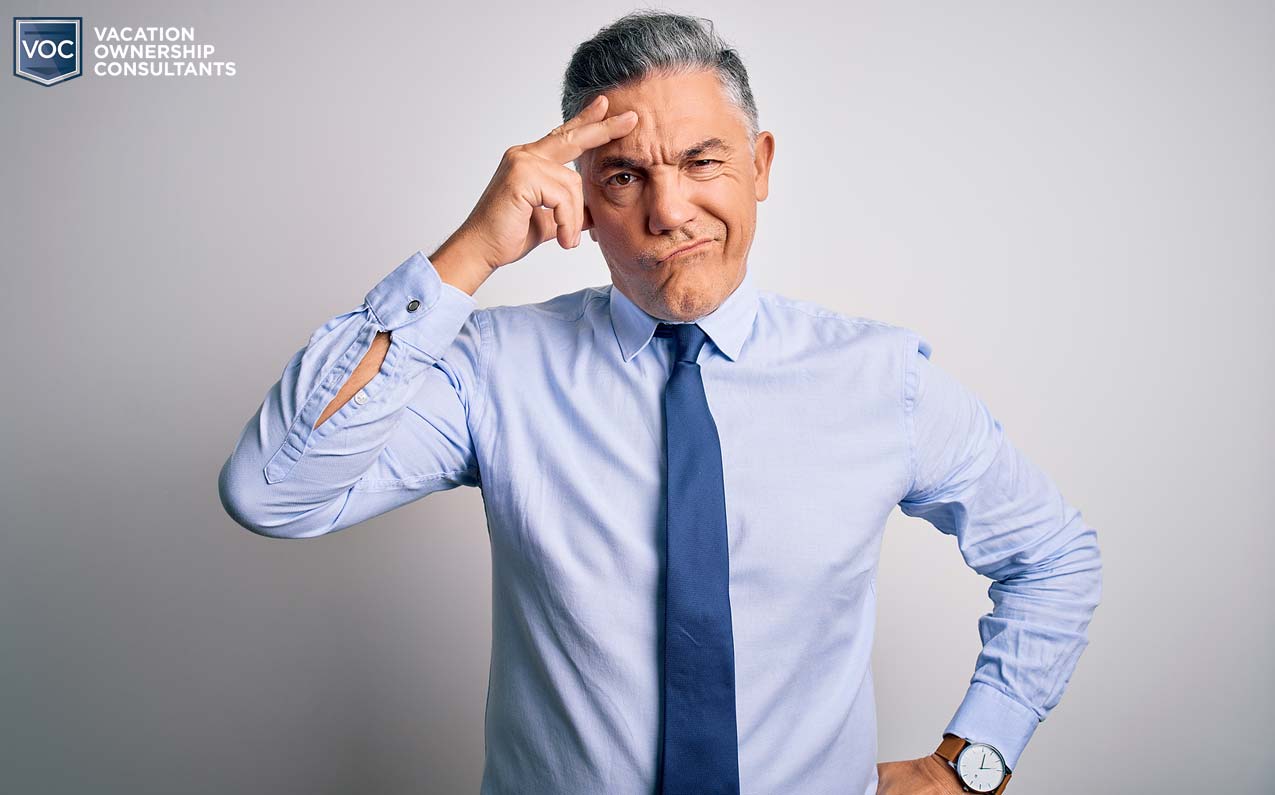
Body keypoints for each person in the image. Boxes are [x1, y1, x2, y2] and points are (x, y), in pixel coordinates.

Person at [218, 10, 1102, 795]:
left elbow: (1053, 556)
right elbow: (272, 492)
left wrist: (971, 758)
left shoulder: (880, 379)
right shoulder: (494, 369)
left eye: (701, 161)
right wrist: (466, 258)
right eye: (624, 177)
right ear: (581, 203)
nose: (669, 209)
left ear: (758, 166)